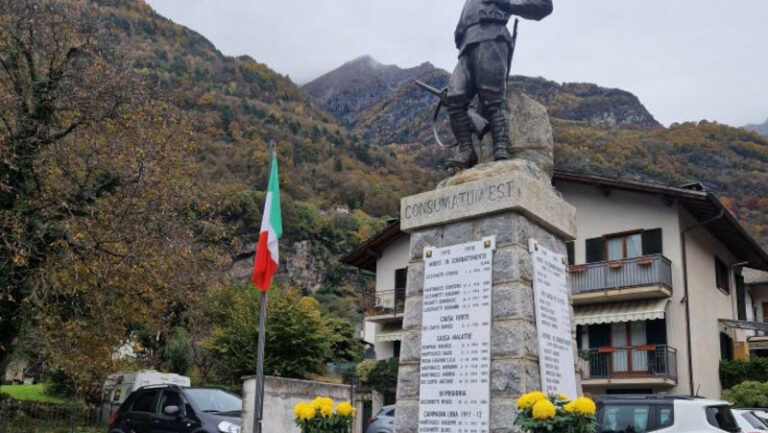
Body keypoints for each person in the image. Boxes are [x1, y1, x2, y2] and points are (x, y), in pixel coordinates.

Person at [447, 0, 553, 168]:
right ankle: (467, 150)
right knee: (454, 97)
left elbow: (544, 6)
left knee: (493, 98)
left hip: (492, 37)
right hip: (466, 47)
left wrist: (505, 4)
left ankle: (500, 148)